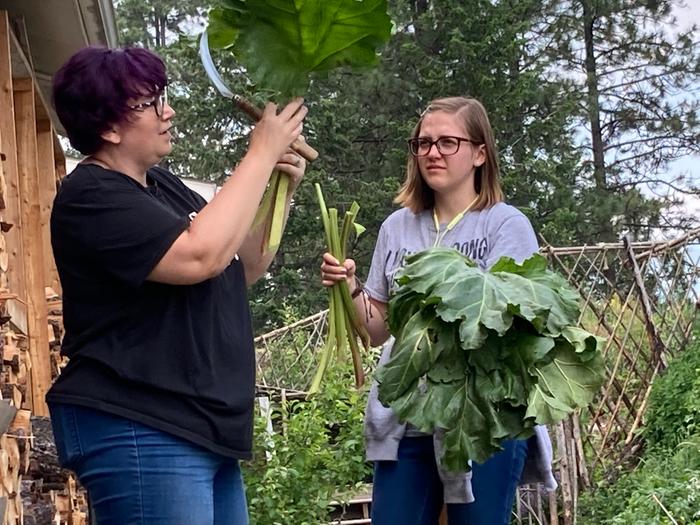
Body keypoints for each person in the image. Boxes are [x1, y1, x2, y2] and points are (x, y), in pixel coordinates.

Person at [47, 46, 307, 525]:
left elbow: (242, 263)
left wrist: (280, 184)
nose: (168, 111)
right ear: (108, 126)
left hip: (198, 424)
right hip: (140, 420)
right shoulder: (91, 196)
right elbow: (200, 255)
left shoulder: (163, 188)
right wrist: (260, 151)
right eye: (148, 104)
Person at [320, 97, 557, 525]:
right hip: (408, 418)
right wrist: (350, 287)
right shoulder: (397, 227)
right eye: (424, 142)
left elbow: (509, 323)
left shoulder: (504, 225)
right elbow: (376, 332)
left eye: (448, 142)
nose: (432, 152)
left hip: (484, 418)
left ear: (480, 152)